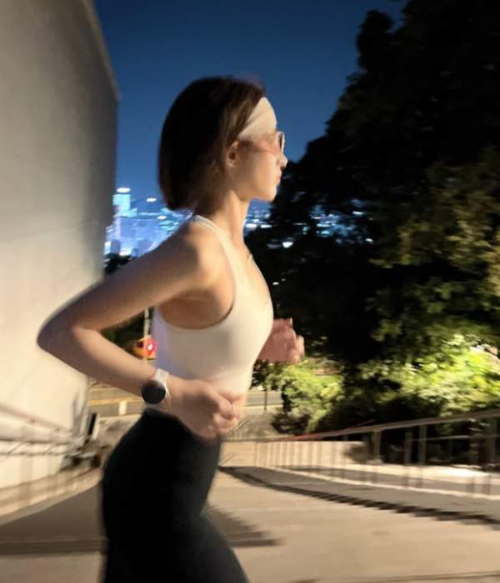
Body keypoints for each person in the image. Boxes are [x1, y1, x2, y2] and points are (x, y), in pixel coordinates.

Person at [37, 75, 304, 582]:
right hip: (156, 486)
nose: (283, 157)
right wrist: (174, 393)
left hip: (178, 480)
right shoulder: (196, 251)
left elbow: (205, 339)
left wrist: (258, 343)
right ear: (232, 153)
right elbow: (61, 332)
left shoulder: (236, 251)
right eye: (275, 140)